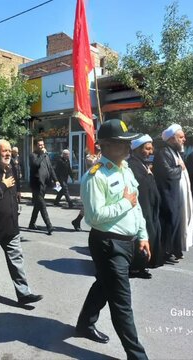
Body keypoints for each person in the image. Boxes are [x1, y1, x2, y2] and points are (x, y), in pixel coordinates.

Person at [75, 119, 149, 360]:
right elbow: (94, 217)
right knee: (122, 302)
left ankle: (85, 324)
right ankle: (137, 355)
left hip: (127, 242)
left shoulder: (125, 169)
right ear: (104, 145)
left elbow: (136, 207)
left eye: (129, 141)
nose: (128, 146)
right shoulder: (95, 176)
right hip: (108, 243)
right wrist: (125, 202)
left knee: (105, 284)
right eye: (121, 142)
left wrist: (142, 234)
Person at [0, 139, 43, 305]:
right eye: (3, 151)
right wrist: (3, 185)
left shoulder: (12, 168)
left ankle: (24, 294)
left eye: (8, 151)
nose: (7, 154)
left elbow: (13, 194)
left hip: (11, 227)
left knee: (17, 261)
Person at [128, 134, 163, 276]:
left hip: (150, 206)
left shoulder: (142, 163)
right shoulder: (132, 164)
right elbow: (139, 184)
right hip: (141, 206)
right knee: (142, 236)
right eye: (147, 148)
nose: (151, 152)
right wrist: (148, 175)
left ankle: (147, 261)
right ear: (137, 149)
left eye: (151, 148)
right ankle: (137, 266)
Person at [153, 124, 187, 263]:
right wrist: (180, 168)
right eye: (181, 137)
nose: (184, 139)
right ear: (172, 139)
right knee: (169, 223)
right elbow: (167, 174)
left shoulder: (175, 152)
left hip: (175, 195)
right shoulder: (163, 153)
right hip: (167, 195)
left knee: (176, 223)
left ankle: (174, 250)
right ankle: (165, 252)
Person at [28, 138, 59, 235]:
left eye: (43, 144)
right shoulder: (32, 155)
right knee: (42, 205)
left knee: (37, 205)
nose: (42, 146)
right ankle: (49, 226)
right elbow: (35, 165)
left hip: (44, 184)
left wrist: (56, 180)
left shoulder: (45, 156)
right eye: (40, 145)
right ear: (35, 146)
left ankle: (32, 224)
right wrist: (42, 154)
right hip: (36, 184)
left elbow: (50, 168)